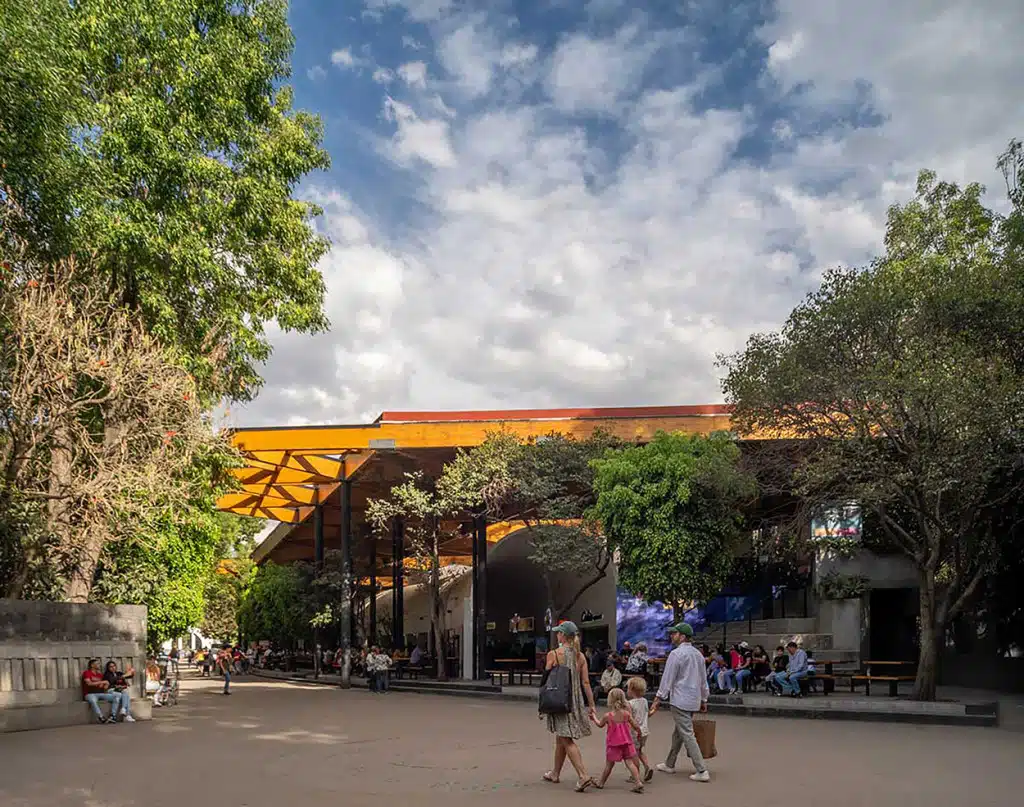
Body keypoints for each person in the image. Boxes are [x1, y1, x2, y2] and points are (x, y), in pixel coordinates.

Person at [649, 623, 710, 783]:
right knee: (679, 732)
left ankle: (701, 769)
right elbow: (703, 679)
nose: (671, 636)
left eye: (674, 633)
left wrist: (658, 698)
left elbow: (667, 678)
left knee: (686, 733)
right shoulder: (698, 655)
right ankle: (669, 763)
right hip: (694, 699)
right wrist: (704, 698)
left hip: (680, 699)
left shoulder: (676, 654)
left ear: (682, 636)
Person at [541, 621, 597, 792]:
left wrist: (541, 706)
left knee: (566, 739)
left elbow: (546, 681)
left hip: (560, 701)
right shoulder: (581, 656)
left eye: (559, 632)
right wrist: (591, 705)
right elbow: (586, 683)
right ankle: (555, 773)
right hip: (575, 701)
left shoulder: (554, 654)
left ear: (563, 636)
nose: (557, 635)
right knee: (561, 737)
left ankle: (583, 775)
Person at [590, 688, 645, 793]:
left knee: (609, 765)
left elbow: (600, 724)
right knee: (630, 763)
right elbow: (636, 726)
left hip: (613, 744)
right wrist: (639, 734)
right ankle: (638, 782)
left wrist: (594, 718)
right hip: (626, 742)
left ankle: (601, 782)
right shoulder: (626, 714)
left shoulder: (608, 716)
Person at [626, 677, 654, 783]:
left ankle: (635, 774)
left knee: (633, 753)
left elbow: (629, 718)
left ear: (632, 689)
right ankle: (647, 766)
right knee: (640, 750)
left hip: (635, 731)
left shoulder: (630, 703)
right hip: (645, 730)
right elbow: (647, 713)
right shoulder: (645, 701)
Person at [81, 659, 122, 724]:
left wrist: (106, 686)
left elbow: (102, 687)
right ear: (92, 665)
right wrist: (102, 682)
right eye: (97, 664)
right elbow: (89, 683)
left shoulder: (100, 675)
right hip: (89, 694)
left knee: (116, 696)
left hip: (100, 693)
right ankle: (101, 717)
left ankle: (112, 716)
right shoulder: (87, 673)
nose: (99, 665)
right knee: (93, 700)